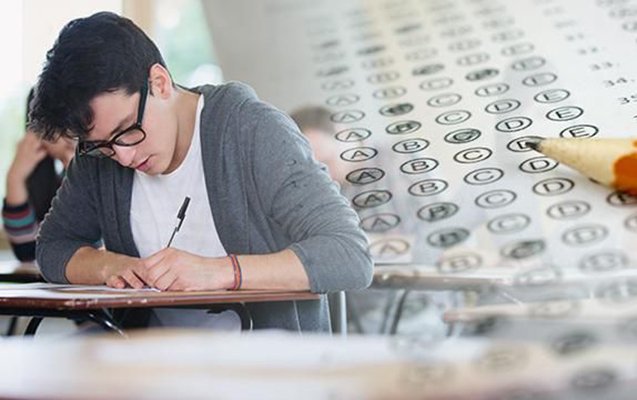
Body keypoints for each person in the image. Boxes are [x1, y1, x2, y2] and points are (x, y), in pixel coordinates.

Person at [28, 12, 372, 332]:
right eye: (102, 145)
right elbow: (53, 247)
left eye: (127, 131)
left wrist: (220, 272)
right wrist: (111, 266)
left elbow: (348, 254)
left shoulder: (252, 130)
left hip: (265, 365)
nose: (123, 156)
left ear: (159, 82)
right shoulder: (99, 157)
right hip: (147, 365)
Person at [2, 90, 75, 262]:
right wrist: (15, 177)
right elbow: (28, 251)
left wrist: (72, 161)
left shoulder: (110, 164)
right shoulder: (52, 180)